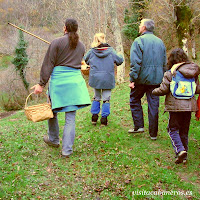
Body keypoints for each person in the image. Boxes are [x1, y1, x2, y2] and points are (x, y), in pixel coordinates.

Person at [31, 18, 91, 157]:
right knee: (70, 117)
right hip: (75, 82)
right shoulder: (81, 46)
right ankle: (67, 150)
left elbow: (48, 64)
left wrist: (41, 84)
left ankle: (53, 139)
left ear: (65, 28)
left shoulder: (56, 42)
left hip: (59, 82)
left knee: (52, 110)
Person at [152, 48, 200, 164]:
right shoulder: (193, 72)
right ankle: (184, 156)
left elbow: (164, 89)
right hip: (189, 106)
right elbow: (197, 89)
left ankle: (180, 150)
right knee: (184, 130)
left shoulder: (171, 73)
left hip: (175, 106)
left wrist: (153, 91)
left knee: (172, 129)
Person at [129, 19, 166, 140]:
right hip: (156, 79)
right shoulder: (160, 42)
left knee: (134, 99)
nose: (139, 27)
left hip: (141, 79)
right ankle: (153, 134)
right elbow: (165, 62)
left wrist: (132, 79)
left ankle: (139, 126)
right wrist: (164, 76)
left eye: (140, 24)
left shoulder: (139, 41)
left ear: (144, 27)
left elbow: (135, 63)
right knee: (154, 105)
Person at [84, 33, 124, 126]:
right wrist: (120, 55)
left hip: (95, 78)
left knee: (96, 97)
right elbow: (119, 61)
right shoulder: (111, 51)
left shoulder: (91, 51)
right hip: (107, 78)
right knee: (106, 99)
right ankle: (104, 119)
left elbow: (86, 60)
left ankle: (94, 118)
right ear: (104, 39)